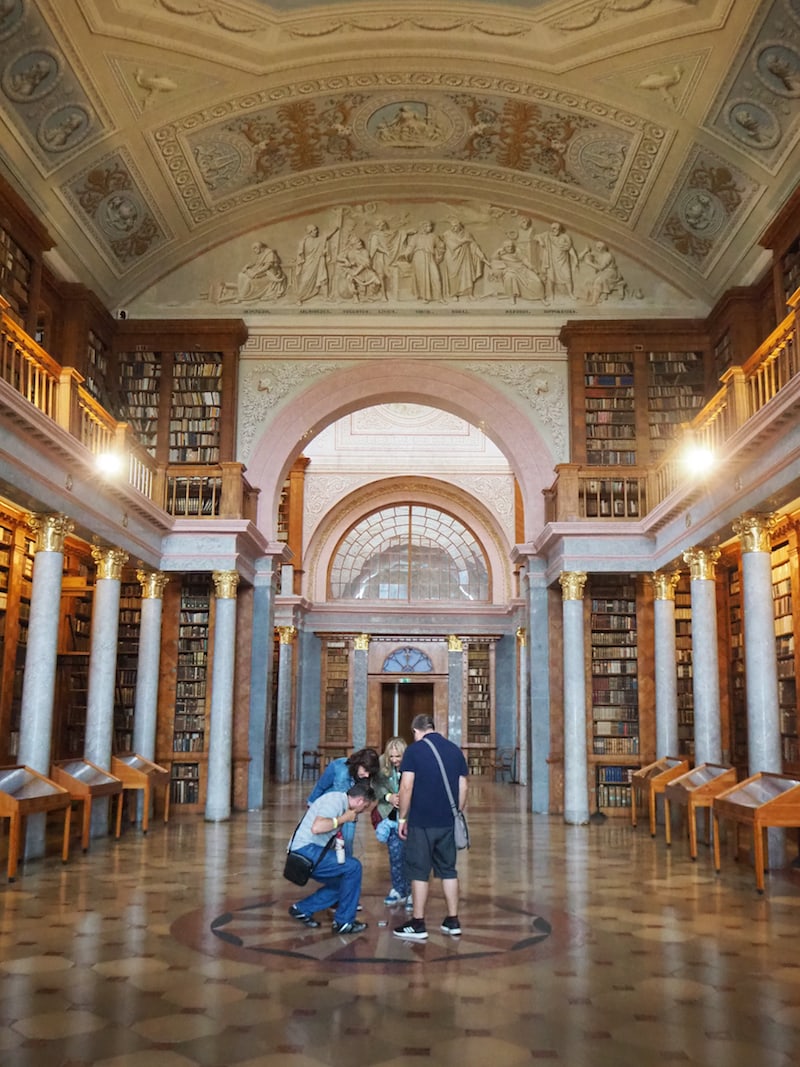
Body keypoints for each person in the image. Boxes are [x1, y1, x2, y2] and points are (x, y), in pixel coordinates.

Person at [393, 714, 468, 941]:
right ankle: (453, 920)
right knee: (448, 870)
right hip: (447, 821)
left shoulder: (414, 751)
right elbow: (463, 787)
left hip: (421, 822)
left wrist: (403, 818)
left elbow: (406, 787)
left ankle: (418, 923)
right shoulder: (455, 751)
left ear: (416, 731)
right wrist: (456, 813)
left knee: (419, 871)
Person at [287, 779, 376, 934]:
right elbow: (317, 827)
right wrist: (344, 819)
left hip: (311, 849)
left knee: (344, 881)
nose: (363, 810)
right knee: (354, 868)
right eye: (365, 807)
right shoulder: (335, 801)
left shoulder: (340, 802)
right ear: (360, 801)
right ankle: (344, 922)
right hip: (306, 850)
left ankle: (302, 909)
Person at [307, 747, 380, 857]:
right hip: (330, 809)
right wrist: (311, 806)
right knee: (325, 842)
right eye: (365, 770)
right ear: (358, 763)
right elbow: (320, 786)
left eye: (370, 773)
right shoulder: (338, 767)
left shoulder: (364, 777)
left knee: (347, 841)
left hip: (350, 811)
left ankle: (346, 868)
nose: (367, 775)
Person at [374, 736, 412, 907]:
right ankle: (398, 889)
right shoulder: (382, 764)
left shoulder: (413, 764)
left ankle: (412, 892)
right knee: (395, 856)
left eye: (398, 756)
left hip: (411, 818)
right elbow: (375, 784)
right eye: (392, 757)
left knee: (412, 857)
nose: (395, 760)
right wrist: (389, 797)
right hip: (390, 817)